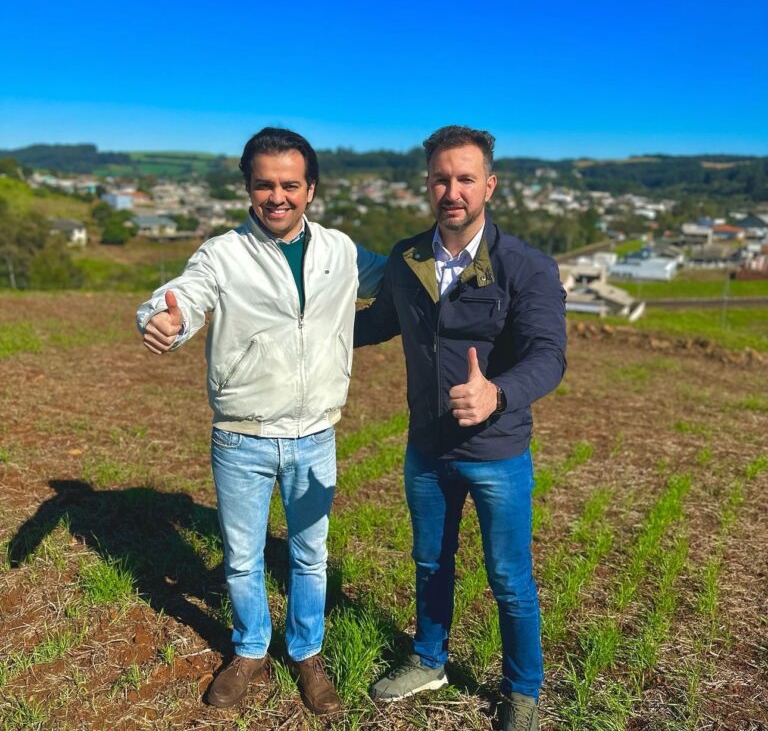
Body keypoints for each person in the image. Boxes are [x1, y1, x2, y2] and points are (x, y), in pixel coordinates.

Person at [137, 127, 385, 715]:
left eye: (290, 185)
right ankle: (249, 649)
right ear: (248, 189)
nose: (278, 197)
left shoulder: (342, 252)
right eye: (265, 185)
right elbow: (183, 296)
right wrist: (161, 319)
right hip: (241, 438)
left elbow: (404, 278)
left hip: (315, 435)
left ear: (311, 189)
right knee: (243, 557)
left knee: (309, 555)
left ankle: (307, 653)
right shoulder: (223, 253)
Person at [354, 125, 566, 730]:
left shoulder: (527, 266)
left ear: (489, 186)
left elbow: (549, 356)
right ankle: (429, 659)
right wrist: (298, 328)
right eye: (441, 178)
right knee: (429, 562)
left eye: (465, 178)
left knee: (509, 577)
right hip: (426, 448)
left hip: (496, 452)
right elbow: (376, 324)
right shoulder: (407, 258)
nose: (453, 190)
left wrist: (497, 392)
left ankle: (522, 689)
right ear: (428, 185)